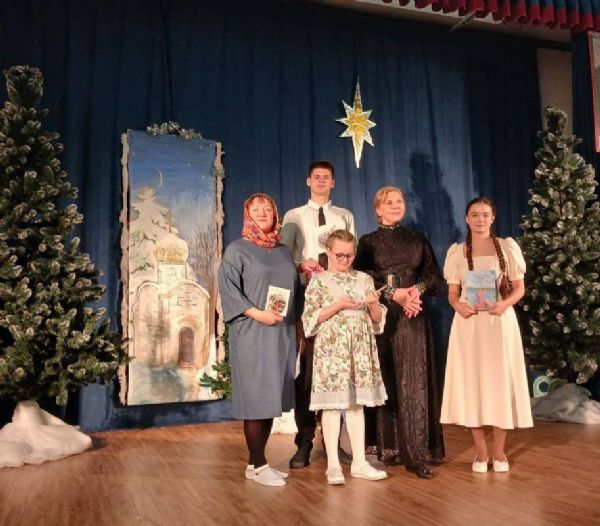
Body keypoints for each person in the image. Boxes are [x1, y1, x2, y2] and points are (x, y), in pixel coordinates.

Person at [354, 186, 445, 479]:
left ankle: (417, 455)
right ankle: (390, 448)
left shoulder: (417, 238)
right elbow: (362, 277)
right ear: (378, 209)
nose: (395, 205)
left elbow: (434, 276)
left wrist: (416, 291)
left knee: (414, 380)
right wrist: (394, 294)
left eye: (399, 201)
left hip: (413, 315)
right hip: (383, 316)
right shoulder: (368, 242)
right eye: (389, 202)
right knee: (388, 380)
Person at [440, 197, 533, 473]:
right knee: (474, 383)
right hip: (469, 324)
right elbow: (453, 292)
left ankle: (499, 452)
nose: (480, 219)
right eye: (474, 214)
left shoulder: (506, 248)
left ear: (493, 217)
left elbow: (519, 288)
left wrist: (504, 305)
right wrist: (458, 306)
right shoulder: (457, 253)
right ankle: (481, 453)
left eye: (485, 214)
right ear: (466, 218)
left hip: (498, 322)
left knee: (499, 382)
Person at [218, 193, 298, 487]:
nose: (263, 213)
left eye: (268, 209)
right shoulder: (237, 249)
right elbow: (228, 289)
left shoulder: (283, 251)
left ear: (275, 214)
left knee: (270, 398)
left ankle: (256, 465)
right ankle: (259, 463)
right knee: (255, 399)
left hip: (280, 333)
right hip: (252, 331)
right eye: (257, 209)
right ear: (248, 214)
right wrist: (258, 314)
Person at [280, 160, 355, 468]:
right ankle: (304, 441)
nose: (322, 181)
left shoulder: (344, 216)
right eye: (317, 177)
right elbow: (283, 256)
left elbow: (351, 254)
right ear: (308, 181)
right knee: (308, 372)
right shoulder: (294, 215)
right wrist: (301, 265)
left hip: (336, 297)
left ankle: (333, 441)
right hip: (307, 297)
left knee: (335, 369)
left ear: (333, 183)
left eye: (327, 177)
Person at [302, 230, 388, 485]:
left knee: (355, 405)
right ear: (328, 252)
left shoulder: (364, 279)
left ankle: (359, 462)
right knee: (331, 406)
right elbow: (310, 319)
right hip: (332, 349)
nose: (345, 260)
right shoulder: (319, 282)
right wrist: (338, 305)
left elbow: (376, 319)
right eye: (339, 255)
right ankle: (332, 465)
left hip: (359, 349)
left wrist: (373, 304)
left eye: (350, 255)